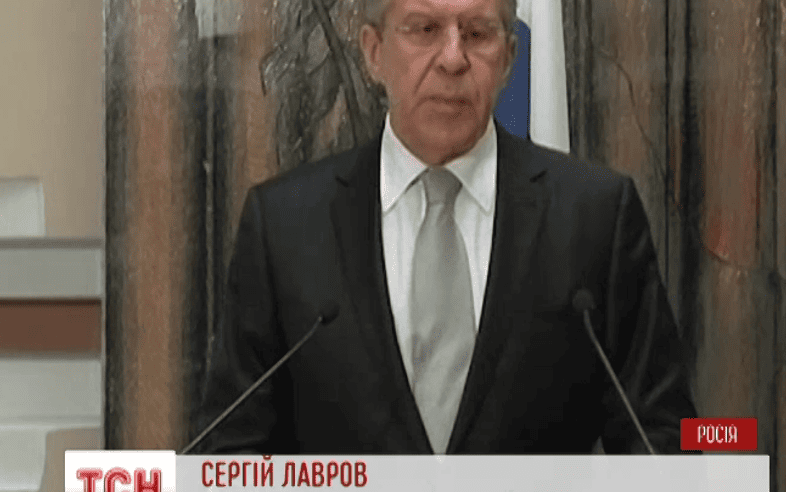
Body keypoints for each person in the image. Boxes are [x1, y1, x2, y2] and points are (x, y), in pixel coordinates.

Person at [196, 0, 697, 454]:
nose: (453, 59)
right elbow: (229, 451)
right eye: (424, 29)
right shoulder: (285, 225)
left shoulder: (594, 217)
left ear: (509, 58)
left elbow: (663, 442)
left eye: (478, 34)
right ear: (373, 52)